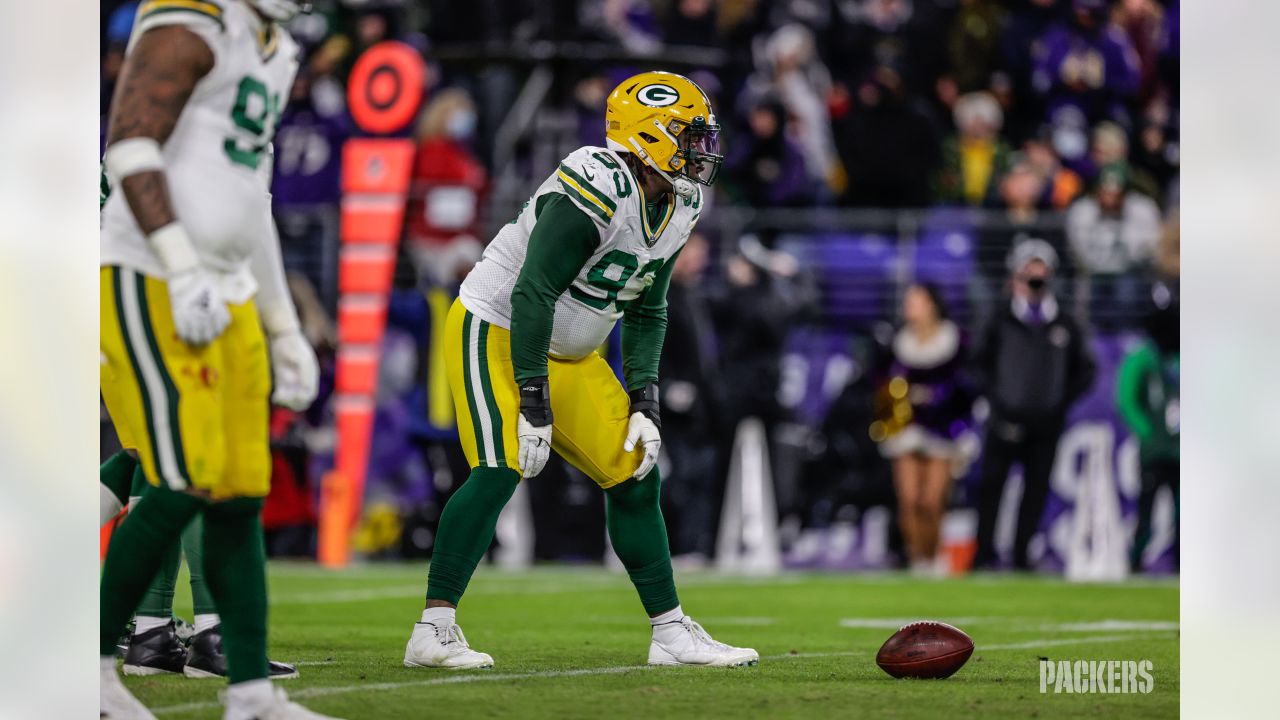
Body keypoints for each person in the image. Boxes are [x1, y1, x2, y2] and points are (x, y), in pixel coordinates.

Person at [401, 71, 758, 670]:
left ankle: (670, 633)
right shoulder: (597, 182)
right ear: (648, 135)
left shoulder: (683, 201)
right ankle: (432, 629)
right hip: (495, 328)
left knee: (636, 472)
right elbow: (533, 293)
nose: (701, 151)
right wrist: (534, 405)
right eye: (688, 137)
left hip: (571, 353)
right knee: (497, 470)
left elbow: (649, 305)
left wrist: (645, 401)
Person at [98, 1, 335, 717]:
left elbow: (249, 197)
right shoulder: (192, 18)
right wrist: (180, 262)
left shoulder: (275, 44)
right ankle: (91, 669)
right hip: (151, 273)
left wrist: (282, 324)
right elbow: (130, 145)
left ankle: (251, 694)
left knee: (239, 490)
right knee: (177, 478)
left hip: (227, 287)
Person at [972, 240, 1096, 571]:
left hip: (1045, 422)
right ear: (1016, 275)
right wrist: (996, 399)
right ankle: (983, 553)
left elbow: (1085, 370)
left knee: (1035, 490)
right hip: (1004, 418)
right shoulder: (999, 318)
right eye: (1030, 273)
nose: (1036, 280)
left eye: (1042, 274)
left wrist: (1059, 402)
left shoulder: (1064, 323)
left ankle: (1021, 555)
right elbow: (977, 363)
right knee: (991, 487)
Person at [875, 284, 971, 576]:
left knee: (931, 500)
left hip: (943, 428)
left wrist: (939, 399)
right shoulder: (897, 342)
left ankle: (933, 557)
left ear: (932, 304)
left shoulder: (954, 341)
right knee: (910, 500)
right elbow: (880, 382)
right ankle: (917, 560)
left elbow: (966, 387)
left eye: (915, 301)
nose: (909, 307)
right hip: (906, 427)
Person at [1116, 288, 1179, 572]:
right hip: (1155, 449)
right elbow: (1127, 398)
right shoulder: (1144, 357)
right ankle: (1135, 561)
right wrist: (1147, 431)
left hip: (1180, 450)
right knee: (1146, 512)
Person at [1065, 162, 1161, 329]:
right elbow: (1082, 254)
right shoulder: (1082, 210)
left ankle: (1128, 340)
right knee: (1090, 299)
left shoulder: (1142, 209)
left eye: (1116, 193)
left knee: (1128, 294)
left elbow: (1145, 250)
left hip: (1130, 273)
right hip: (1093, 275)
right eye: (1105, 192)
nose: (1110, 198)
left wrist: (1123, 228)